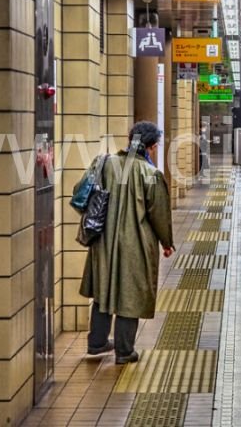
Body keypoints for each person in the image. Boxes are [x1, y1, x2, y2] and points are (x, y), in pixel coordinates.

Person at [77, 121, 175, 364]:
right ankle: (124, 351)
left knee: (103, 288)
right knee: (129, 294)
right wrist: (167, 242)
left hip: (103, 240)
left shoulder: (105, 163)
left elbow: (80, 190)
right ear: (151, 147)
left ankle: (97, 342)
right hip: (136, 243)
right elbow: (159, 214)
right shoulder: (151, 175)